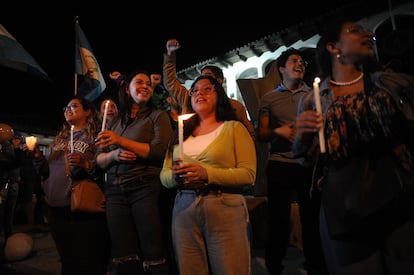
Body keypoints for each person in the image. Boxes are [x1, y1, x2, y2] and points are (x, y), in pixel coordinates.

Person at [293, 17, 414, 274]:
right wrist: (302, 136)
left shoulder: (388, 84)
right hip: (345, 202)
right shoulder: (313, 99)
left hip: (397, 194)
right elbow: (304, 158)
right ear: (333, 47)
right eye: (355, 30)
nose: (367, 33)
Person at [160, 75, 257, 275]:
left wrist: (208, 174)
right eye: (194, 90)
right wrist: (175, 177)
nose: (199, 93)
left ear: (219, 95)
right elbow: (164, 175)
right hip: (184, 208)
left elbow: (248, 174)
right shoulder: (181, 134)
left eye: (207, 89)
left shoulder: (233, 128)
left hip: (223, 205)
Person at [257, 48, 327, 275]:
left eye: (302, 61)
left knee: (311, 216)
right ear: (281, 68)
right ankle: (274, 265)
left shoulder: (313, 95)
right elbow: (262, 133)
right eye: (294, 60)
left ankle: (315, 264)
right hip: (280, 163)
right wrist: (280, 131)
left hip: (308, 164)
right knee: (279, 217)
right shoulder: (269, 98)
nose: (300, 64)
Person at [95, 70, 172, 275]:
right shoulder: (114, 121)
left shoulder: (158, 116)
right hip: (114, 191)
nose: (145, 86)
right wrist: (114, 155)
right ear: (127, 90)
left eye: (148, 83)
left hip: (145, 188)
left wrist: (120, 141)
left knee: (152, 249)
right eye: (139, 82)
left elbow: (158, 151)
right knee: (124, 251)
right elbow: (99, 159)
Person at [33, 97, 110, 275]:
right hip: (54, 207)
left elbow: (102, 168)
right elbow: (46, 172)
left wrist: (85, 165)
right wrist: (38, 158)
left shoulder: (96, 137)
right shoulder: (60, 140)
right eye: (66, 107)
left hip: (80, 207)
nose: (68, 109)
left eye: (74, 106)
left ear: (88, 111)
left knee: (87, 261)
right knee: (67, 260)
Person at [163, 38, 256, 141]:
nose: (202, 81)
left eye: (207, 77)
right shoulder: (188, 99)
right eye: (200, 78)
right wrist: (170, 55)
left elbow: (249, 135)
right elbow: (170, 82)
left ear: (219, 81)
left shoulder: (234, 106)